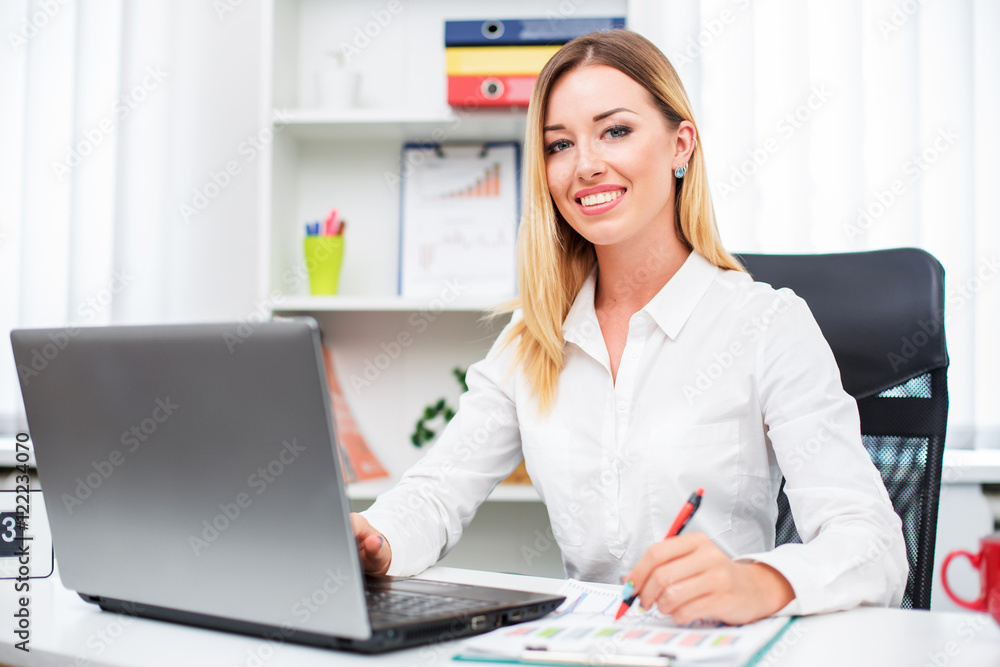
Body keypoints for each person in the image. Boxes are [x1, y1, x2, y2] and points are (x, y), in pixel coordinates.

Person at [351, 29, 908, 624]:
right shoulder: (533, 335)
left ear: (680, 146)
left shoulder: (767, 323)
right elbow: (436, 493)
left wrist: (758, 582)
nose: (586, 165)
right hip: (586, 647)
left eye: (615, 131)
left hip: (719, 645)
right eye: (559, 144)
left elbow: (872, 542)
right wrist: (374, 538)